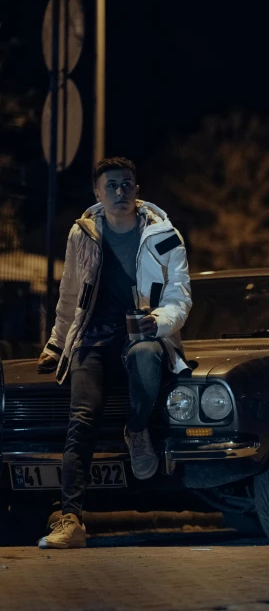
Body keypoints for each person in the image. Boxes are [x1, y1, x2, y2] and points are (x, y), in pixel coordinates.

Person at [36, 157, 192, 549]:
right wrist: (57, 342)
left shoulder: (164, 235)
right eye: (112, 185)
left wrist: (157, 323)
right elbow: (70, 293)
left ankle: (136, 429)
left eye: (127, 184)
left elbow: (179, 294)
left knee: (145, 354)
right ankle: (70, 521)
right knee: (82, 420)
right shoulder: (82, 234)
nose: (120, 192)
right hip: (92, 337)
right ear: (97, 193)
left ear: (137, 189)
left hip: (142, 331)